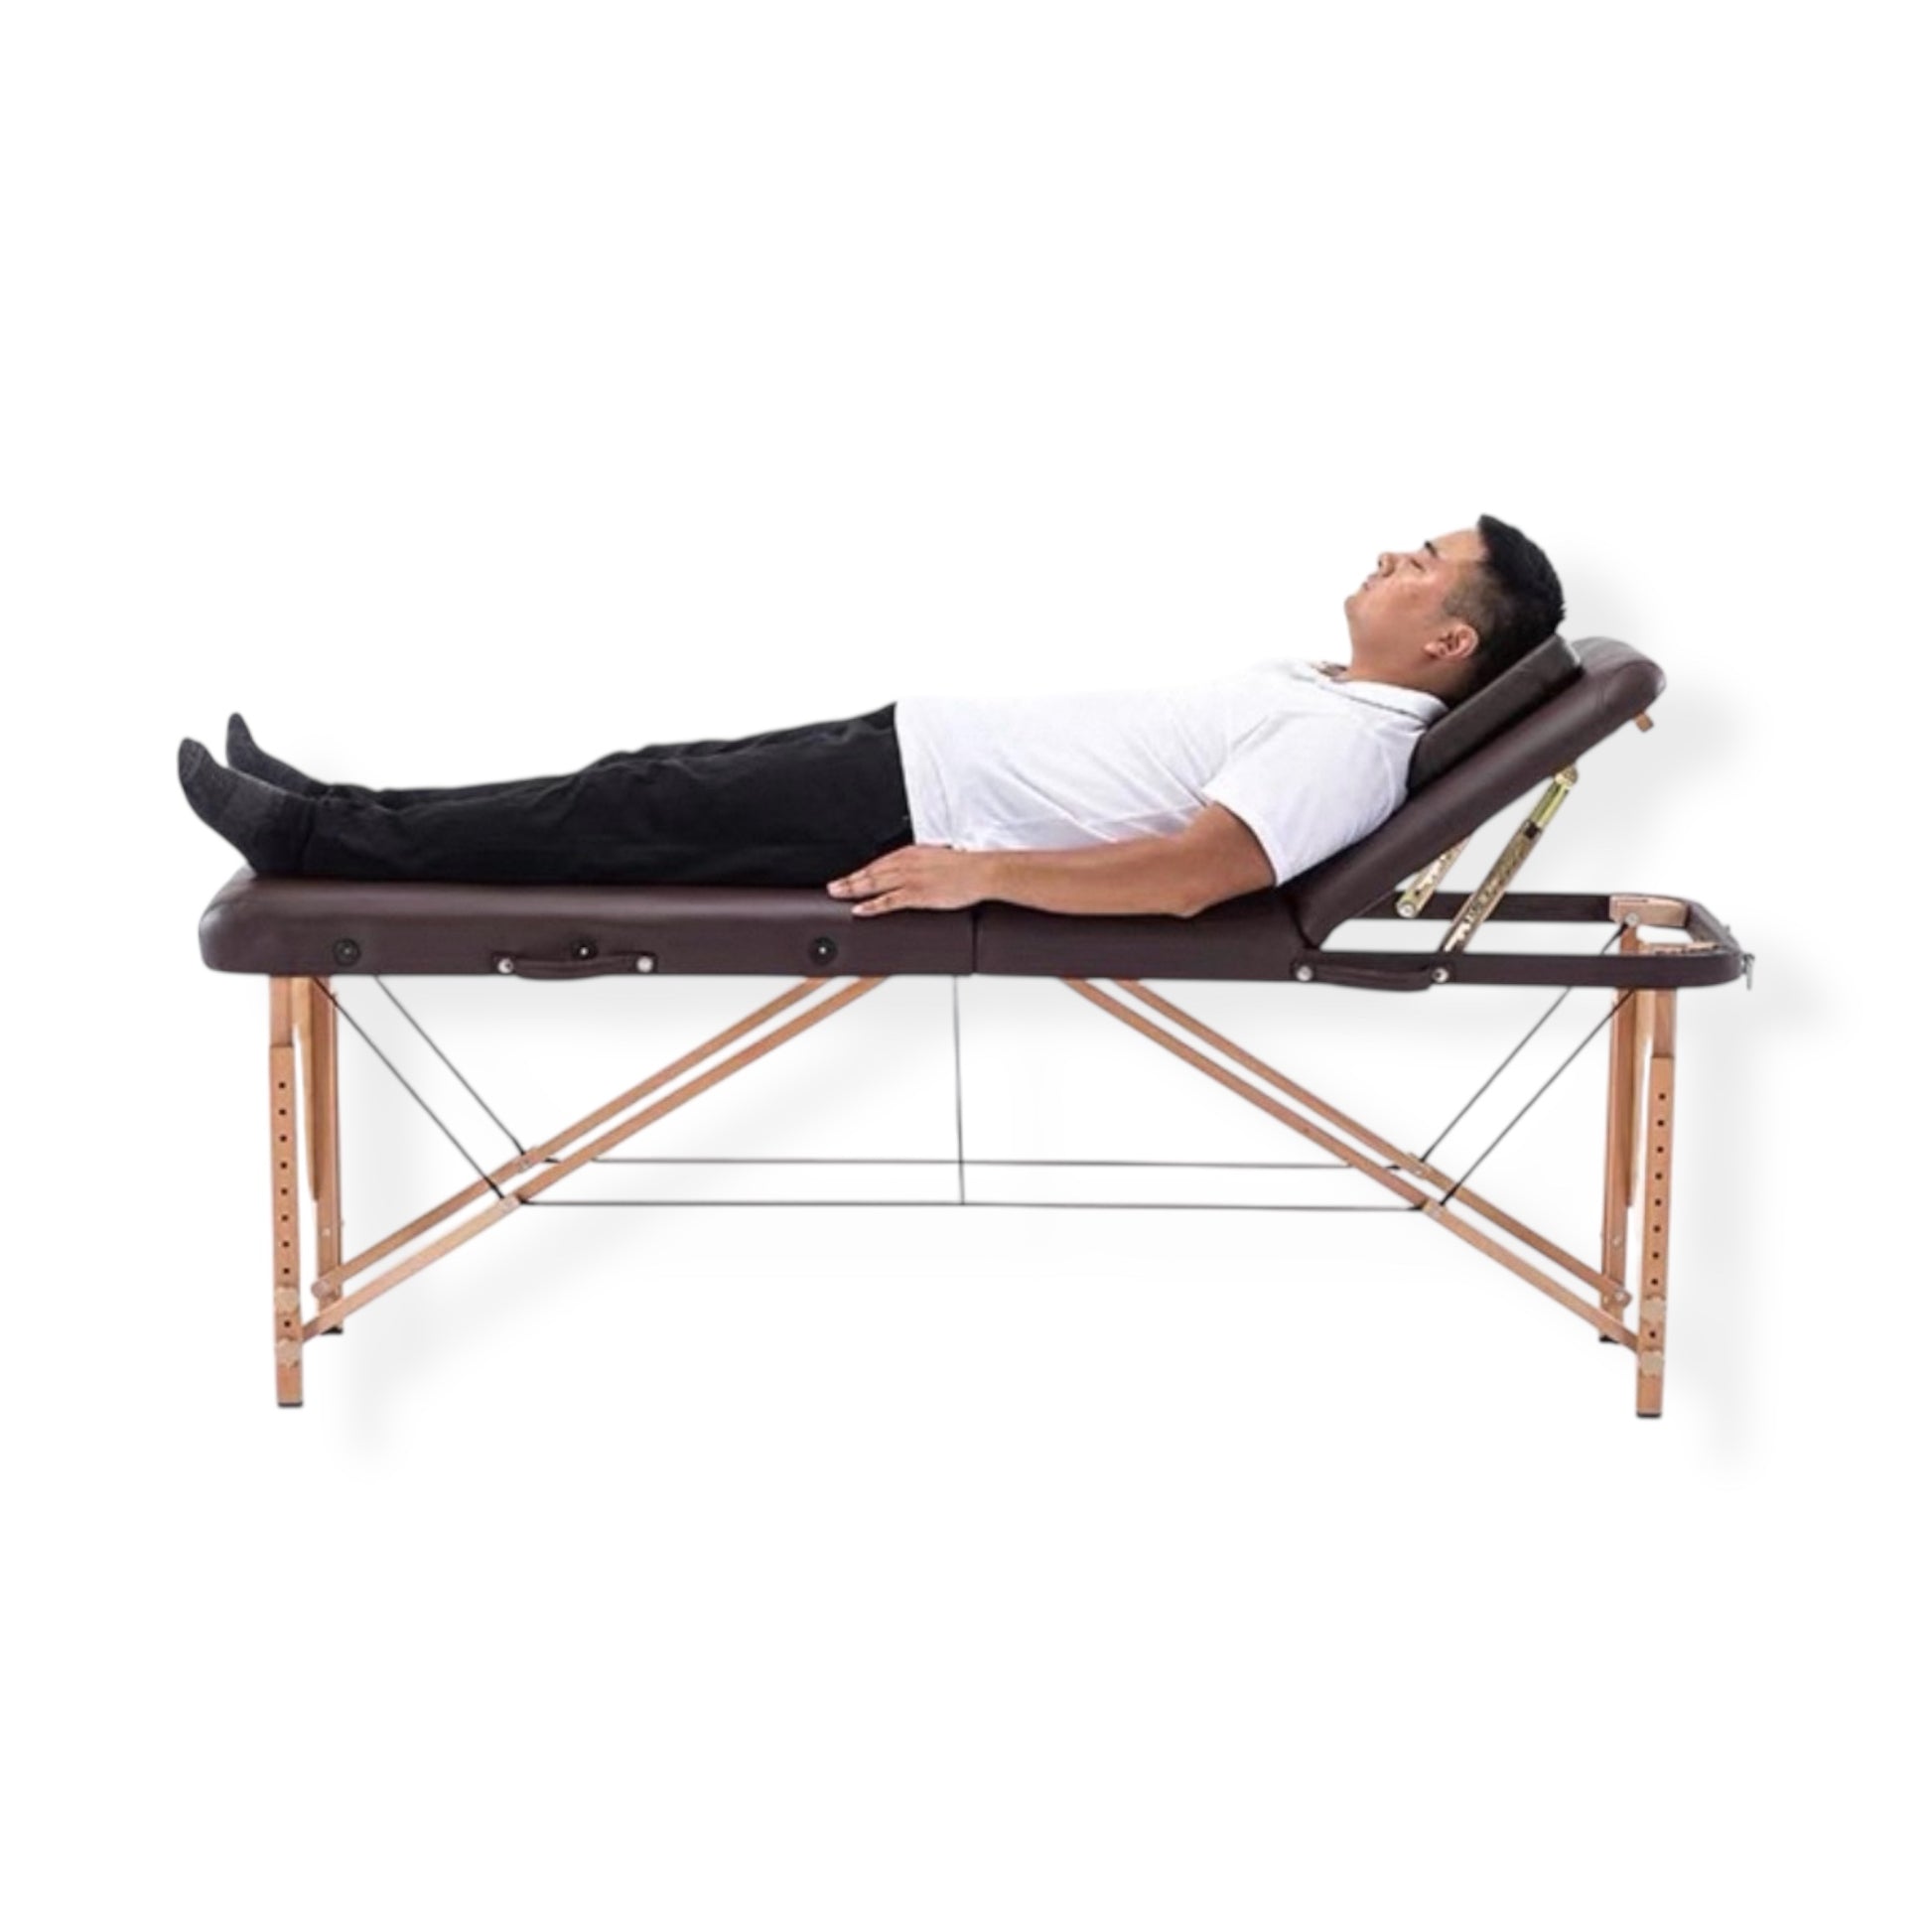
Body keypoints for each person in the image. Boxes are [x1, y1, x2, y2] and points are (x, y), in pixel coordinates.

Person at [177, 512, 1564, 920]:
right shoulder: (1328, 695)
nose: (1390, 555)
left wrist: (981, 874)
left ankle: (311, 839)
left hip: (914, 809)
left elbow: (1201, 874)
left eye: (1421, 563)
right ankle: (331, 814)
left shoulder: (1348, 743)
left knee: (611, 814)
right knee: (622, 789)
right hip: (909, 760)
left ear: (1450, 640)